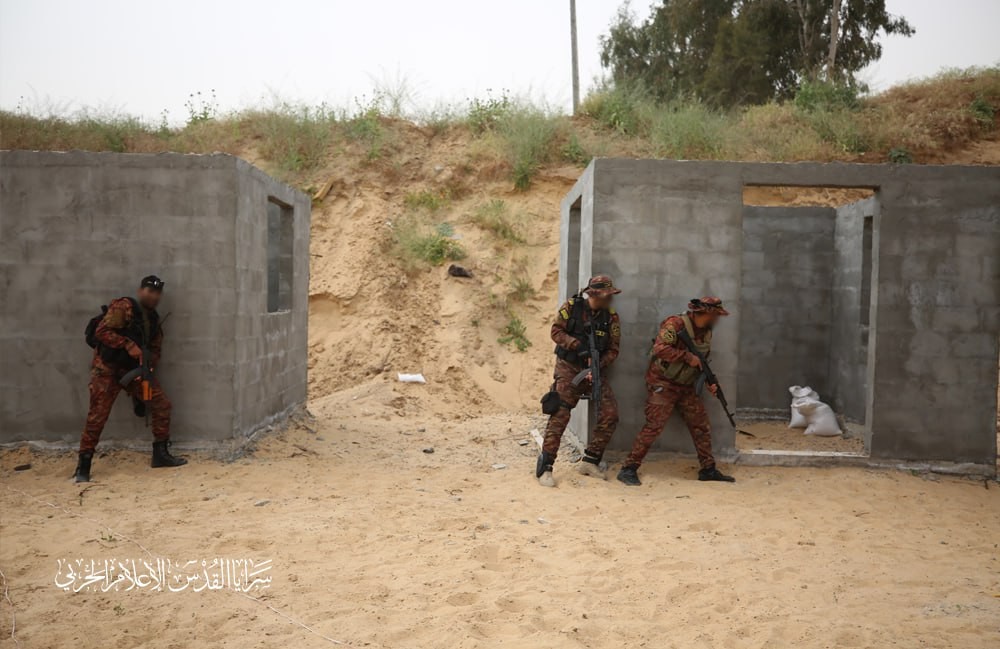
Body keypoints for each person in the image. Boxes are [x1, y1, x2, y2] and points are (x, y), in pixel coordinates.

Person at [74, 275, 187, 482]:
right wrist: (128, 345)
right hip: (107, 370)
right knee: (97, 416)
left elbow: (155, 349)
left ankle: (160, 454)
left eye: (157, 293)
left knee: (162, 405)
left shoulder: (153, 319)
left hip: (134, 372)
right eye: (150, 291)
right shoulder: (124, 306)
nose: (154, 296)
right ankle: (84, 464)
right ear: (140, 291)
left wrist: (149, 365)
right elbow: (102, 331)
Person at [617, 297, 735, 486]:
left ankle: (708, 469)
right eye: (715, 316)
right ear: (705, 313)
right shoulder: (675, 324)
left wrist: (709, 383)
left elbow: (702, 362)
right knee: (653, 426)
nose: (717, 320)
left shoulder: (707, 332)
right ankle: (628, 469)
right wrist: (686, 357)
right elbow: (659, 348)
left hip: (686, 386)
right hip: (663, 383)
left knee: (701, 426)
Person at [536, 275, 622, 487]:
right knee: (560, 413)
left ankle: (590, 461)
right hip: (569, 368)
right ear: (594, 294)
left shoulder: (611, 317)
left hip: (594, 371)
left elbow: (614, 349)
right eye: (606, 295)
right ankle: (545, 466)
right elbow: (556, 332)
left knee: (610, 414)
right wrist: (576, 345)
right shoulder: (572, 307)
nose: (610, 299)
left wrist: (598, 365)